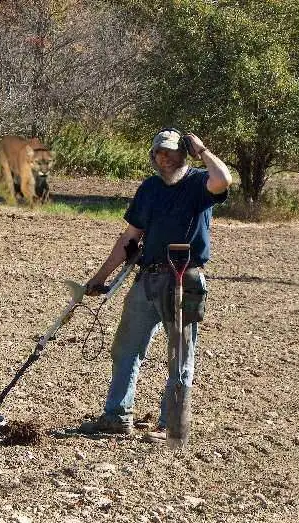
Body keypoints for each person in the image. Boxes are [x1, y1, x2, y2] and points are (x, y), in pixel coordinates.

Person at [80, 128, 232, 446]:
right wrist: (100, 277)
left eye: (171, 151)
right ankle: (117, 417)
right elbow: (130, 236)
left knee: (179, 355)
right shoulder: (149, 188)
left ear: (183, 153)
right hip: (146, 278)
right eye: (159, 152)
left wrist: (202, 150)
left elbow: (224, 181)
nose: (164, 157)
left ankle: (171, 425)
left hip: (183, 278)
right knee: (125, 349)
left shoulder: (199, 182)